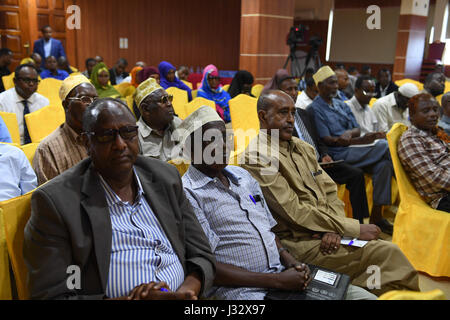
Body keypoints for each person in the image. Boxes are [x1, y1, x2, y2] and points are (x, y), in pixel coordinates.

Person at [23, 97, 215, 300]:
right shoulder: (57, 203)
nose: (120, 144)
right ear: (87, 143)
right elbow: (54, 294)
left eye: (128, 133)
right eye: (107, 136)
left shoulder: (165, 178)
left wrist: (186, 292)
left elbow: (201, 254)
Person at [180, 106, 376, 300]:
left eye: (224, 138)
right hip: (246, 291)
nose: (222, 146)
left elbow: (267, 229)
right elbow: (207, 265)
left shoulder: (242, 176)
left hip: (285, 275)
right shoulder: (188, 193)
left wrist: (291, 261)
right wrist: (277, 280)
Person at [241, 90, 420, 296]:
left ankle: (376, 290)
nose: (291, 120)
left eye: (292, 112)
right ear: (263, 116)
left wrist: (336, 229)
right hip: (299, 242)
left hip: (327, 232)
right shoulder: (257, 157)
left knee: (381, 251)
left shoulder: (301, 147)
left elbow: (329, 190)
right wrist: (350, 228)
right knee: (386, 252)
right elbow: (293, 210)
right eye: (283, 113)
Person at [307, 66, 395, 234]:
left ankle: (377, 216)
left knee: (384, 165)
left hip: (356, 147)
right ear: (319, 86)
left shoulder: (340, 104)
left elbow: (355, 127)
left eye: (335, 83)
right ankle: (411, 178)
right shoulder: (315, 109)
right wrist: (349, 139)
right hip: (338, 153)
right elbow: (327, 139)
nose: (335, 86)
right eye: (331, 83)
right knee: (384, 146)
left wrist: (349, 134)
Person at [279, 76, 371, 224]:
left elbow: (318, 140)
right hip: (301, 166)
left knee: (356, 174)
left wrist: (325, 154)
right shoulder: (278, 119)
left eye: (296, 88)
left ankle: (359, 222)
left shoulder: (304, 113)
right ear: (279, 92)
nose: (294, 92)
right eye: (289, 89)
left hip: (320, 162)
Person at [33, 74, 97, 185]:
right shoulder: (48, 149)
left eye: (95, 99)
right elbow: (48, 197)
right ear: (66, 105)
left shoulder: (102, 136)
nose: (91, 104)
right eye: (84, 99)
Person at [398, 93, 449, 212]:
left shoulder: (434, 131)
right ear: (412, 115)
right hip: (442, 197)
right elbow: (435, 178)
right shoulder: (411, 140)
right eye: (426, 111)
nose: (433, 114)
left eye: (435, 109)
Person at [134, 78, 182, 161]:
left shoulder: (178, 123)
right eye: (164, 100)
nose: (169, 104)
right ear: (146, 109)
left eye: (169, 98)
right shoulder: (135, 136)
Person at [0, 64, 49, 145]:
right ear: (15, 81)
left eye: (35, 81)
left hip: (38, 147)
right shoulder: (2, 101)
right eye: (26, 80)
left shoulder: (44, 102)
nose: (31, 84)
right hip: (11, 147)